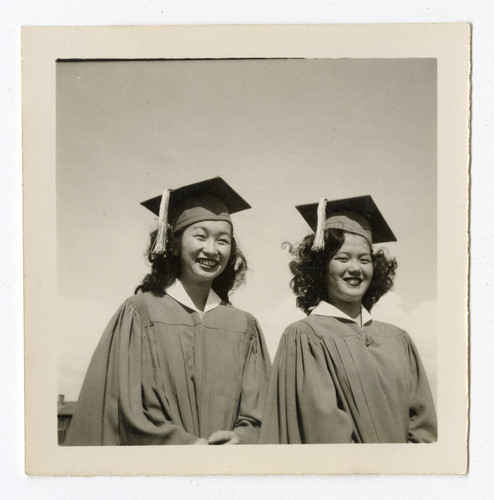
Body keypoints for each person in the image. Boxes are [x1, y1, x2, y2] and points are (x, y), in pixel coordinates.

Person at [65, 177, 271, 446]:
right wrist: (184, 445)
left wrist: (240, 437)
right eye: (200, 236)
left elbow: (262, 412)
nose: (211, 249)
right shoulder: (140, 313)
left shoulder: (244, 326)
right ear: (173, 244)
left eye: (223, 240)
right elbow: (124, 410)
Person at [260, 195, 437, 444]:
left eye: (364, 259)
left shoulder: (398, 339)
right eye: (343, 258)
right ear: (321, 267)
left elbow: (423, 427)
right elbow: (323, 432)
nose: (355, 268)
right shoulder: (306, 337)